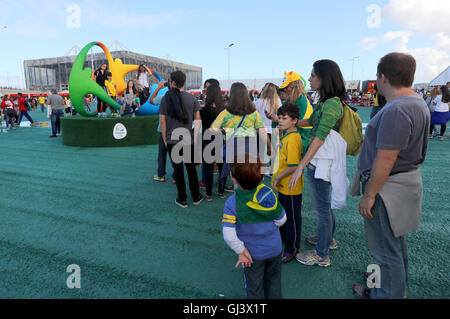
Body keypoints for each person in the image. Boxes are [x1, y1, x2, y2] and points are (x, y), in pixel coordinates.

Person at [350, 53, 430, 299]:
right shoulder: (416, 103)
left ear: (383, 77)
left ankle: (386, 295)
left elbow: (386, 159)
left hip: (387, 188)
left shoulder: (397, 108)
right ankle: (387, 289)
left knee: (384, 249)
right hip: (401, 184)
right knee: (394, 246)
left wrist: (370, 195)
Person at [289, 60, 350, 267]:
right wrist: (292, 122)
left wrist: (300, 166)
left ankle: (321, 254)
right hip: (319, 161)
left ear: (325, 78)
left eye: (313, 75)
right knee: (324, 206)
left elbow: (319, 137)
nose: (310, 78)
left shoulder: (331, 104)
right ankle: (328, 240)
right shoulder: (326, 102)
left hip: (321, 162)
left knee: (321, 210)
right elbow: (312, 122)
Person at [222, 153, 286, 299]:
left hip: (252, 255)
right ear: (262, 177)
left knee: (254, 289)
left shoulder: (232, 203)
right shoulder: (268, 193)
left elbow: (228, 235)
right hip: (275, 249)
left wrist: (241, 250)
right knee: (274, 283)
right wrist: (273, 227)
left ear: (234, 179)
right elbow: (282, 219)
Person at [211, 82, 270, 198]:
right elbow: (261, 130)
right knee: (249, 172)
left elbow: (212, 129)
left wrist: (224, 132)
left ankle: (234, 196)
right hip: (250, 147)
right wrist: (269, 146)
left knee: (236, 173)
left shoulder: (226, 113)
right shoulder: (253, 113)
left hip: (233, 147)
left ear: (232, 95)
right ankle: (248, 197)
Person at [159, 70, 203, 208]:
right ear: (184, 82)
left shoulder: (166, 98)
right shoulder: (192, 98)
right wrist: (195, 137)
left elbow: (163, 121)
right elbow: (197, 120)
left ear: (172, 82)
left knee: (177, 171)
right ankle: (196, 196)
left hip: (172, 140)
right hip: (188, 139)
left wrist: (165, 139)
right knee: (191, 169)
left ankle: (182, 199)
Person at [271, 103, 304, 263]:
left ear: (295, 120)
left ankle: (292, 248)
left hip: (290, 187)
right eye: (280, 117)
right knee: (284, 216)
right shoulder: (287, 136)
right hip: (284, 186)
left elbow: (293, 166)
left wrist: (277, 177)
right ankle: (285, 239)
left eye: (285, 118)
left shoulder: (293, 139)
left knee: (292, 219)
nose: (281, 120)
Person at [201, 83, 225, 201]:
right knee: (221, 166)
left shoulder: (205, 109)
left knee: (208, 167)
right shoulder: (223, 109)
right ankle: (221, 191)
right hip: (220, 138)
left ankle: (209, 193)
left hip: (207, 139)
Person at [151, 81, 175, 183]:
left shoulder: (163, 97)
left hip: (164, 130)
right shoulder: (183, 98)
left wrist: (158, 88)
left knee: (162, 153)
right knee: (175, 154)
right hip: (176, 129)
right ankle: (176, 176)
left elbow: (151, 101)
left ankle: (161, 175)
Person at [254, 83, 282, 153]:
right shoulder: (278, 102)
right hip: (274, 130)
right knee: (273, 155)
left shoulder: (258, 102)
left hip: (261, 131)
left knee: (261, 155)